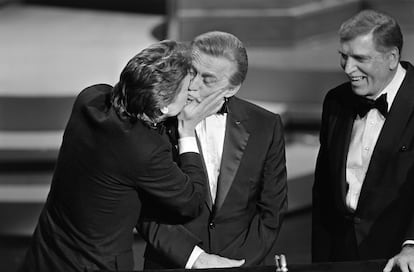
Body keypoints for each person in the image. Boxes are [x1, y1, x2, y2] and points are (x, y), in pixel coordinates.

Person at [20, 40, 228, 272]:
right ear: (163, 108)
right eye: (188, 86)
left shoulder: (90, 98)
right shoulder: (144, 149)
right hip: (94, 265)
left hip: (47, 252)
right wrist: (187, 131)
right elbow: (190, 202)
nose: (193, 90)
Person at [138, 31, 288, 269]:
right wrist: (194, 259)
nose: (193, 86)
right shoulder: (157, 119)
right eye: (191, 72)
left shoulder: (265, 126)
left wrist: (237, 264)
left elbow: (272, 210)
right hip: (171, 263)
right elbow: (146, 209)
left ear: (232, 88)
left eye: (208, 79)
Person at [312, 9, 414, 272]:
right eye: (343, 57)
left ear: (392, 57)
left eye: (360, 58)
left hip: (400, 258)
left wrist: (412, 245)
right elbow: (324, 190)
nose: (348, 69)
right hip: (341, 256)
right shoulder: (335, 101)